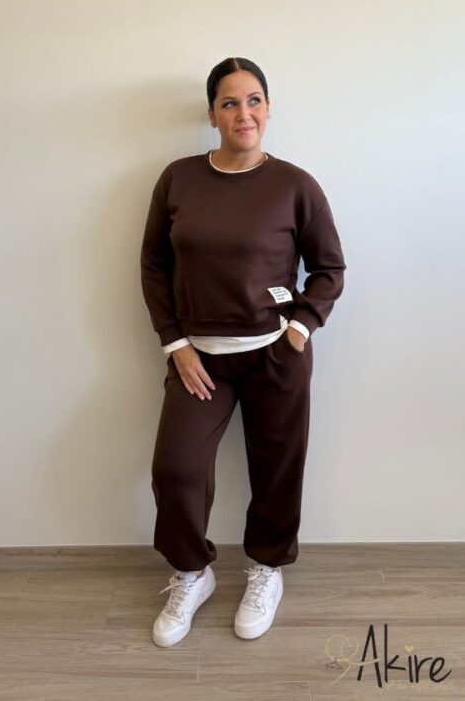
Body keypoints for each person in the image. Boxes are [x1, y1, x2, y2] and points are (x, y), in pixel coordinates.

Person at [140, 56, 346, 648]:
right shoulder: (178, 179)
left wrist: (300, 330)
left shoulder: (296, 185)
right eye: (229, 103)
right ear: (212, 115)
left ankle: (266, 568)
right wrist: (175, 343)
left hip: (274, 355)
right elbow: (153, 264)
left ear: (269, 108)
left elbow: (329, 269)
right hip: (198, 360)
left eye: (253, 100)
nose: (243, 113)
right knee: (176, 469)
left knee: (278, 467)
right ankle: (192, 573)